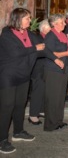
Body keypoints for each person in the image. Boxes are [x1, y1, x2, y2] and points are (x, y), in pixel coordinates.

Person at [0, 8, 49, 154]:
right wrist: (35, 48)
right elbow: (16, 52)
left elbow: (43, 47)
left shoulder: (29, 34)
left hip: (24, 74)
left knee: (20, 105)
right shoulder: (7, 34)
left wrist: (59, 54)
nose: (30, 20)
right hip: (8, 75)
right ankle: (2, 140)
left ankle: (18, 132)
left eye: (29, 18)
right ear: (18, 19)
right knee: (7, 107)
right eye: (27, 18)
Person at [43, 14, 68, 131]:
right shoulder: (50, 36)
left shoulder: (62, 35)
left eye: (64, 22)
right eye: (62, 22)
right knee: (53, 97)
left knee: (60, 97)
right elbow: (50, 53)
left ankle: (58, 121)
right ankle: (50, 124)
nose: (65, 24)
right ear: (54, 24)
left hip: (62, 68)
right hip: (53, 69)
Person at [28, 20, 51, 126]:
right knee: (37, 91)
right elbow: (38, 52)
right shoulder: (37, 37)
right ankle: (33, 115)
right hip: (37, 68)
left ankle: (40, 110)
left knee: (43, 90)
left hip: (44, 67)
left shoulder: (45, 37)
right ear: (45, 28)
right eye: (51, 27)